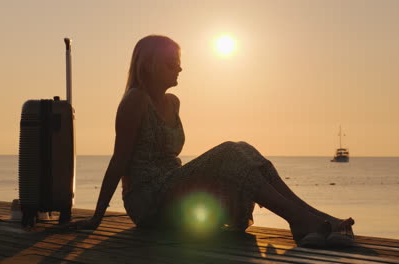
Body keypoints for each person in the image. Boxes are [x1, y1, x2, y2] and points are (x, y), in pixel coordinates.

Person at [68, 35, 355, 247]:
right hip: (148, 200)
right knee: (230, 151)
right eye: (172, 63)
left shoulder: (173, 102)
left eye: (179, 63)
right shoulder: (135, 101)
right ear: (150, 64)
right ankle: (304, 221)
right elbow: (119, 161)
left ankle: (313, 218)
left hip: (173, 188)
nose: (179, 68)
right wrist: (96, 218)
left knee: (243, 149)